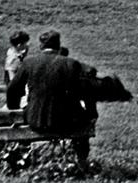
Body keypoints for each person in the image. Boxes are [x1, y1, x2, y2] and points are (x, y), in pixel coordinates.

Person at [6, 30, 96, 165]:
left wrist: (15, 109)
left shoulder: (29, 63)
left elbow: (12, 89)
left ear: (41, 47)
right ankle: (81, 161)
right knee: (83, 126)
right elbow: (87, 92)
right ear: (59, 46)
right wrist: (91, 113)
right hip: (67, 121)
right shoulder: (72, 64)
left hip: (35, 119)